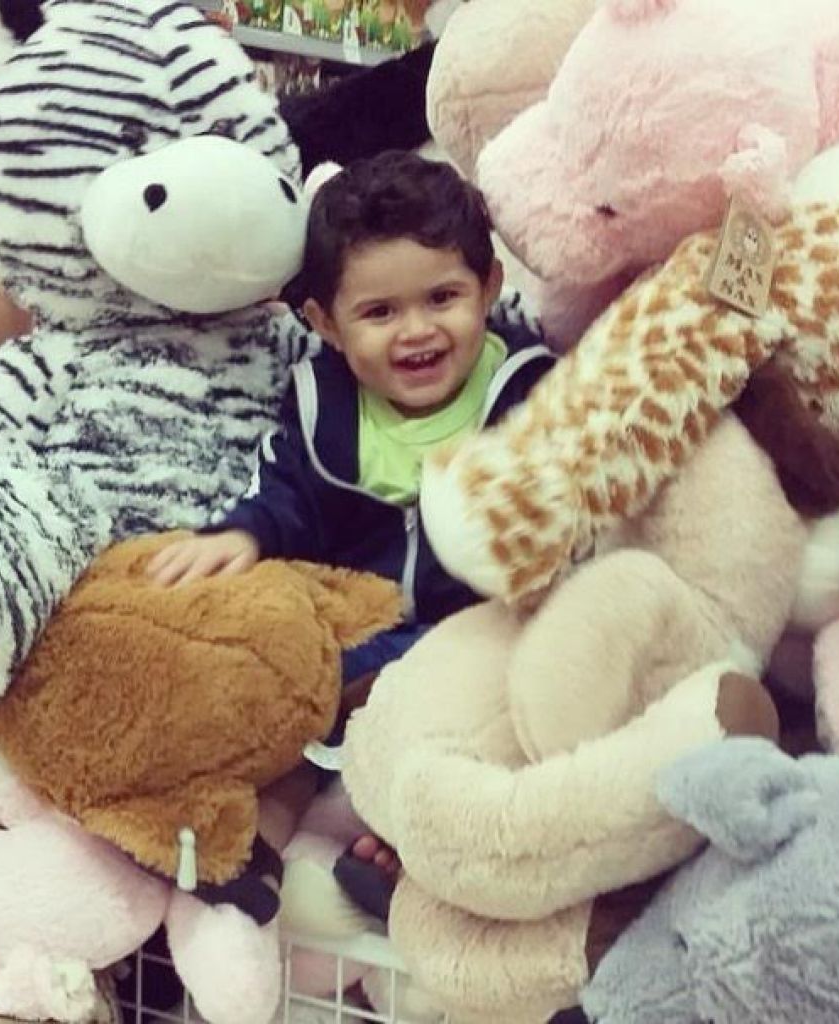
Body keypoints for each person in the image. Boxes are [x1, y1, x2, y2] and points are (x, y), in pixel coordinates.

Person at [147, 149, 556, 915]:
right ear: (325, 323)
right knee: (285, 712)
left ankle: (412, 852)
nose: (417, 331)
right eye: (380, 313)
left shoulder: (530, 392)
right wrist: (244, 535)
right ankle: (249, 855)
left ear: (490, 285)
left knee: (460, 732)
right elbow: (286, 491)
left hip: (475, 644)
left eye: (443, 297)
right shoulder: (322, 403)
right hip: (359, 642)